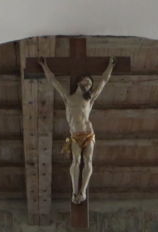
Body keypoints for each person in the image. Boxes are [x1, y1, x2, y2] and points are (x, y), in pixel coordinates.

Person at [39, 57, 116, 204]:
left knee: (87, 160)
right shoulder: (68, 98)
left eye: (90, 83)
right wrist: (44, 66)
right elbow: (53, 81)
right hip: (74, 135)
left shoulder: (89, 99)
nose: (88, 84)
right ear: (79, 82)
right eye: (86, 81)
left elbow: (103, 82)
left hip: (88, 133)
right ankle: (75, 192)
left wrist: (111, 65)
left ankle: (83, 192)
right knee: (76, 161)